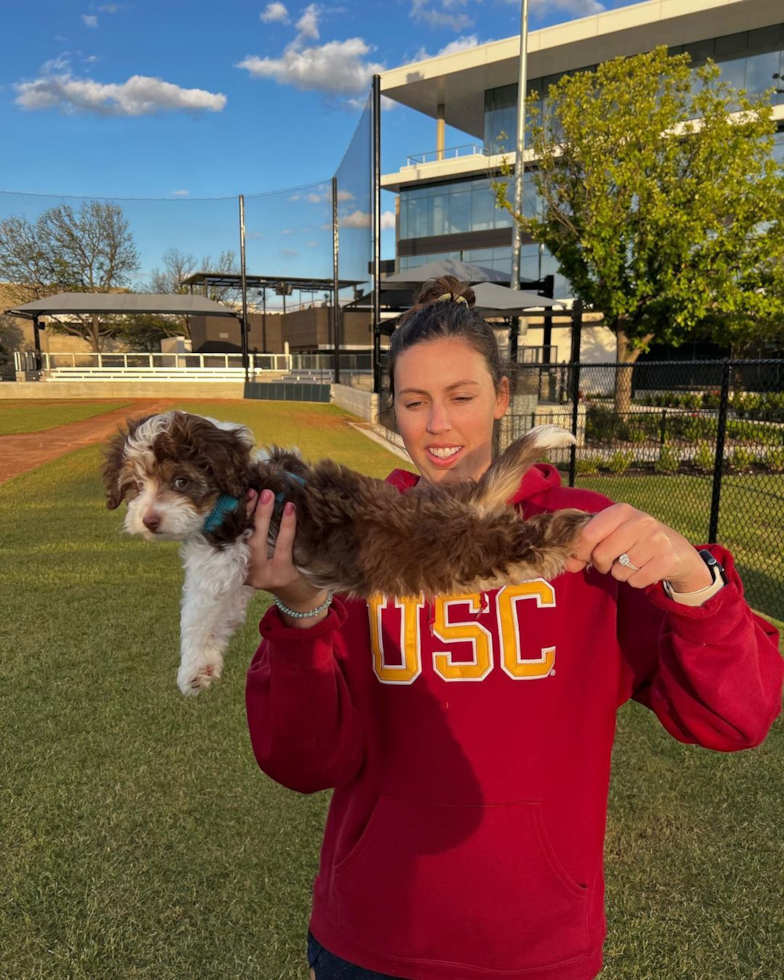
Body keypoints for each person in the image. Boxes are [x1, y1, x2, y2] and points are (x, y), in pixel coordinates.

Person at [244, 276, 783, 980]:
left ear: (502, 397)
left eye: (461, 398)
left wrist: (694, 582)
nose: (438, 425)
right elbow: (305, 763)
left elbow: (735, 719)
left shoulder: (586, 537)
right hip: (371, 939)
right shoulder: (353, 538)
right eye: (414, 402)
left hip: (534, 949)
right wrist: (301, 610)